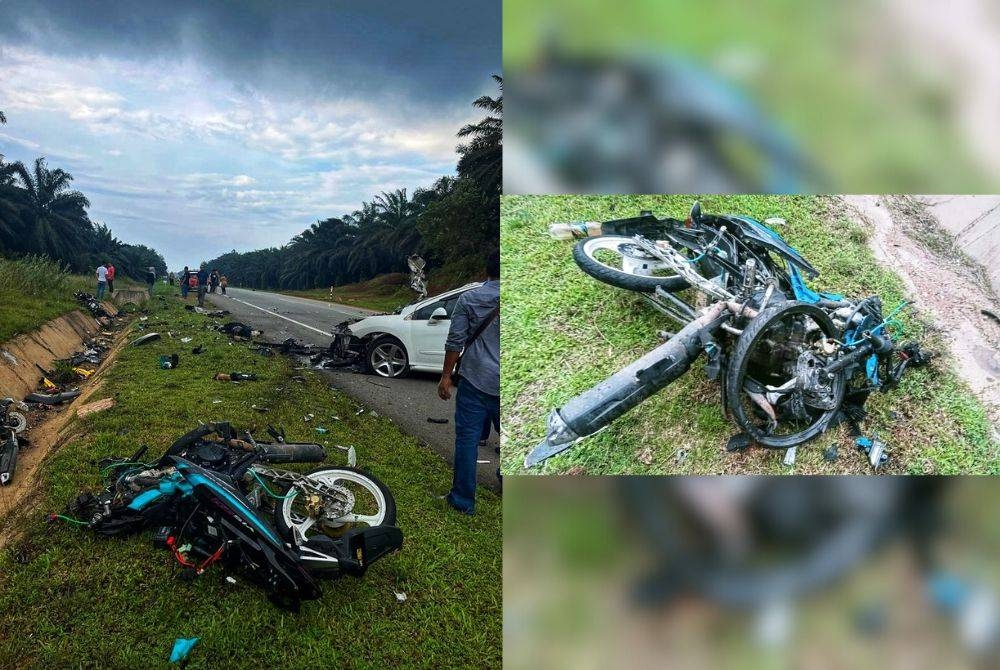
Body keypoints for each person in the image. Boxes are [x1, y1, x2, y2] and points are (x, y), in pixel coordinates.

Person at [437, 248, 500, 516]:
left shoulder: (470, 298)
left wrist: (445, 376)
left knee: (467, 440)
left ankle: (463, 501)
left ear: (487, 270)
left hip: (475, 379)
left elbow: (455, 341)